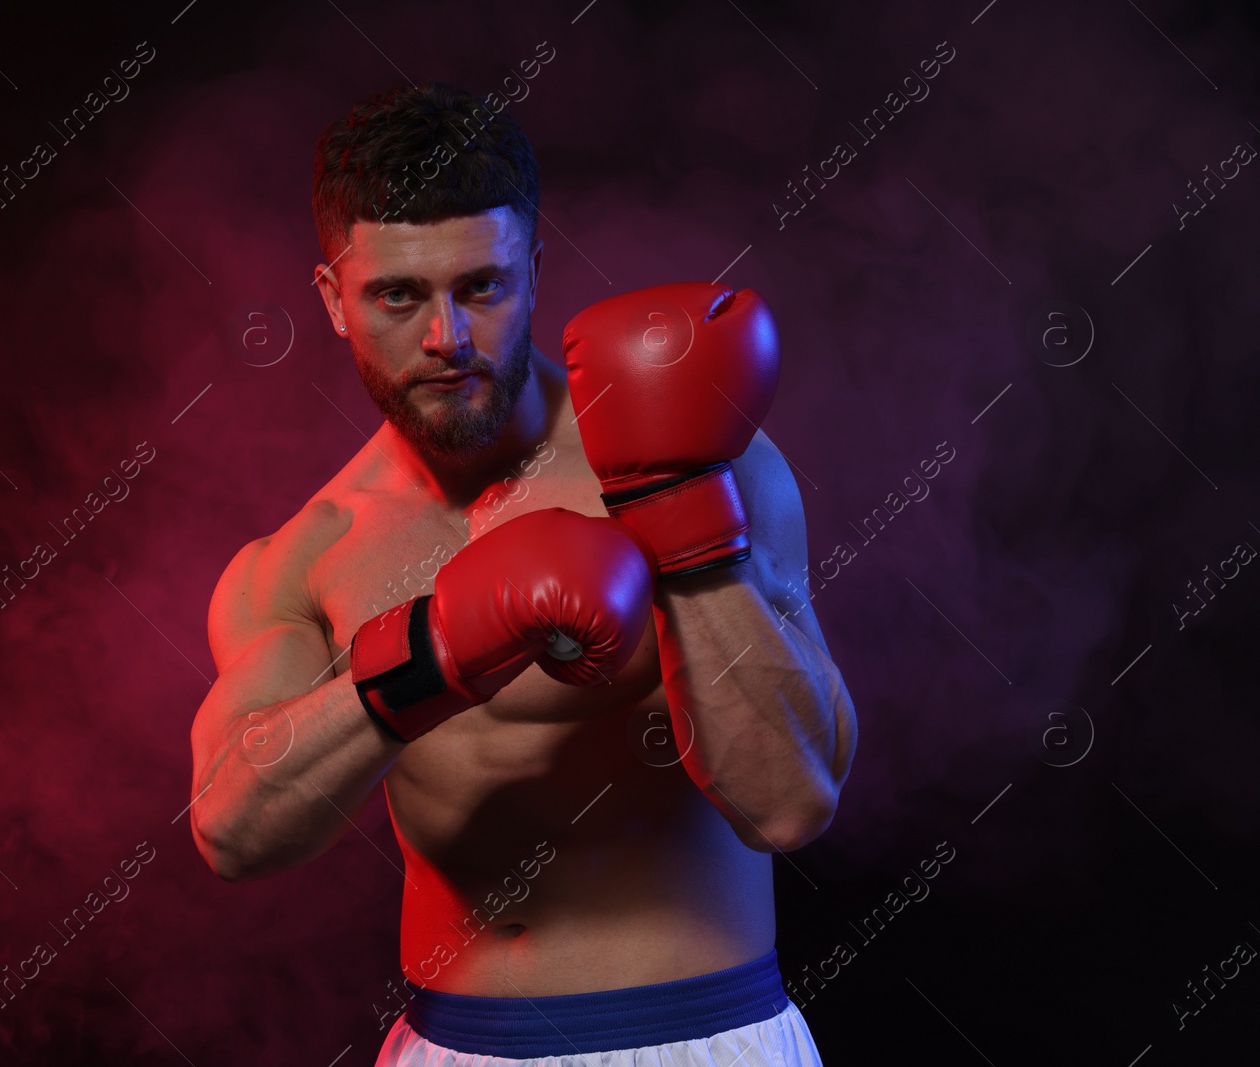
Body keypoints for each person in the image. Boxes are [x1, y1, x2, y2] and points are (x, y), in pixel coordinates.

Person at [189, 81, 857, 1066]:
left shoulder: (707, 457)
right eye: (398, 295)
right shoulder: (305, 557)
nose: (446, 338)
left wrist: (681, 522)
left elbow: (791, 800)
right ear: (334, 299)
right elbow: (232, 832)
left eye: (481, 287)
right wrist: (424, 657)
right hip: (454, 1046)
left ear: (535, 271)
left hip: (702, 1036)